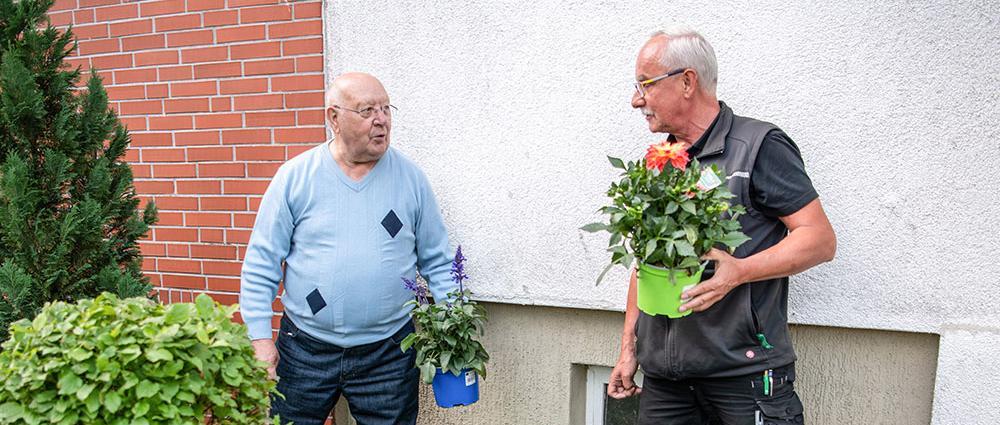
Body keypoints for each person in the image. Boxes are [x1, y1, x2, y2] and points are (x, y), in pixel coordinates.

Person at [607, 26, 837, 424]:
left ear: (687, 82)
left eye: (645, 84)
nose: (636, 100)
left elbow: (819, 239)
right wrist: (629, 348)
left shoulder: (758, 146)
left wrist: (740, 272)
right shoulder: (659, 163)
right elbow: (644, 265)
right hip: (666, 382)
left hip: (743, 378)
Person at [239, 72, 457, 425]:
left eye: (386, 109)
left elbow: (440, 261)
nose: (381, 120)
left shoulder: (410, 179)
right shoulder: (295, 178)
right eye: (367, 110)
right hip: (305, 348)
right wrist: (260, 339)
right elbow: (261, 264)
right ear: (334, 118)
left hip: (389, 352)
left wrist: (454, 332)